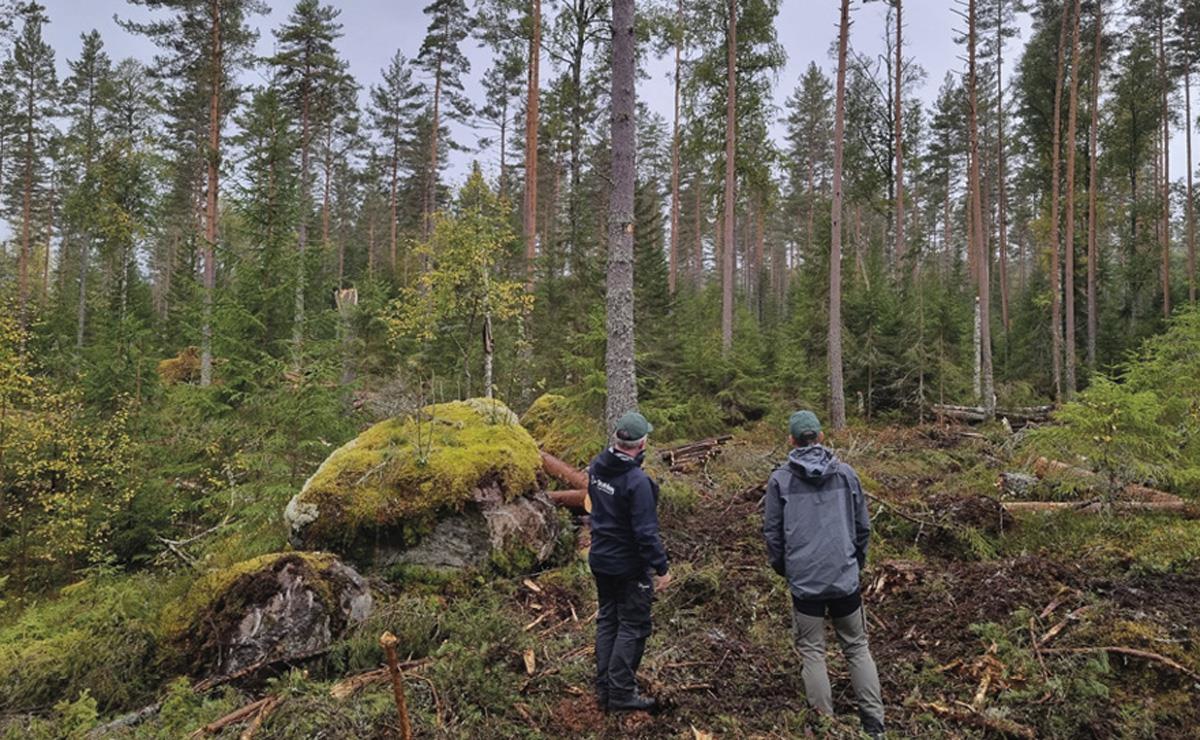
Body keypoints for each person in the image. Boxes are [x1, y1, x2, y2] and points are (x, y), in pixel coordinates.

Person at [763, 410, 885, 737]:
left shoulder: (780, 480)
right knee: (857, 648)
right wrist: (855, 564)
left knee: (813, 652)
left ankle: (825, 725)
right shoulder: (846, 475)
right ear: (820, 437)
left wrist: (786, 570)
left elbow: (773, 535)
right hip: (844, 578)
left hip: (805, 584)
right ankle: (874, 726)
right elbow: (863, 528)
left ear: (791, 440)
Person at [587, 410, 671, 712]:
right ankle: (621, 694)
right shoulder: (637, 482)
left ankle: (605, 687)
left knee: (608, 620)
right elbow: (646, 533)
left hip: (600, 558)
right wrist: (661, 568)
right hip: (627, 566)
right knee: (633, 626)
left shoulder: (597, 466)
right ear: (642, 443)